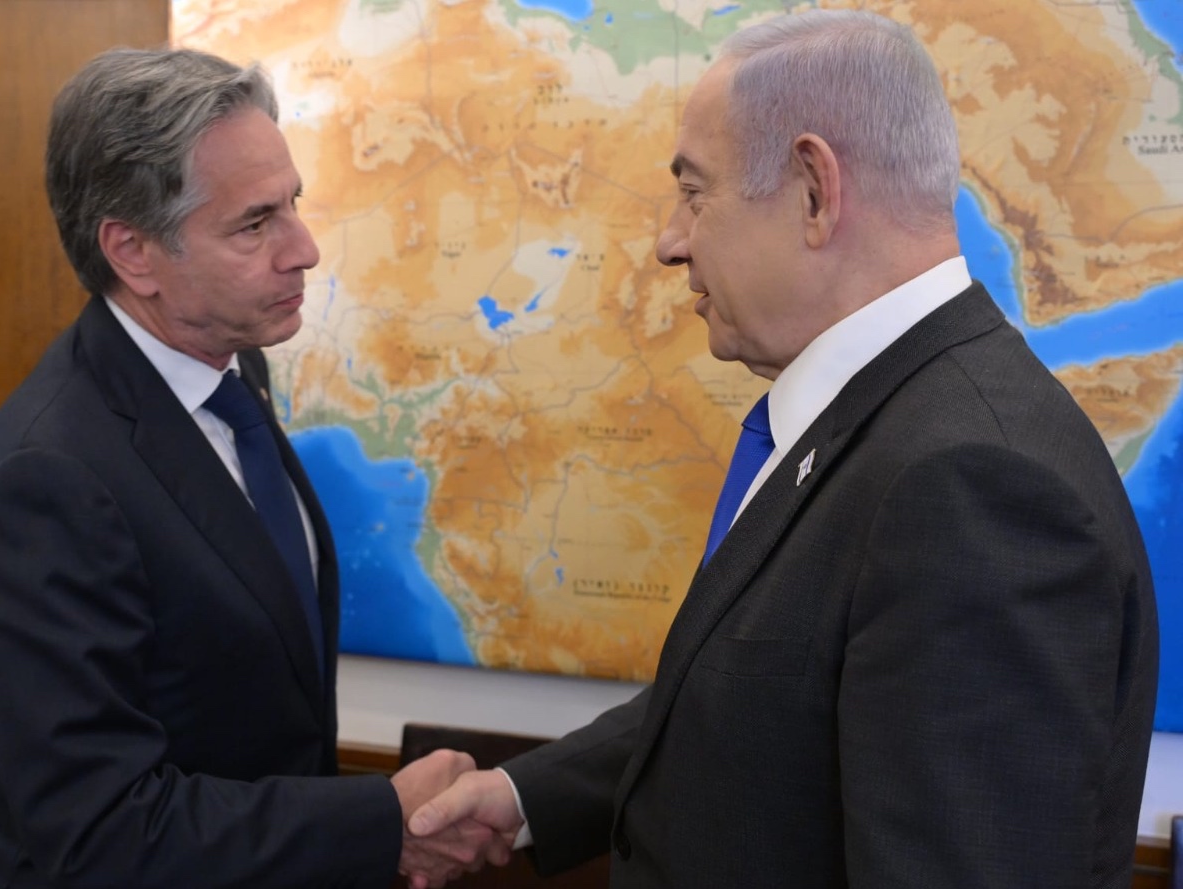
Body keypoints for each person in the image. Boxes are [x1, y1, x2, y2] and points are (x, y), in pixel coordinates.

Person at [405, 10, 1159, 889]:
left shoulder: (971, 485)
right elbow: (761, 702)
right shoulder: (887, 420)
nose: (668, 239)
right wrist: (526, 796)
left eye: (695, 190)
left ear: (812, 189)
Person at [0, 47, 501, 889]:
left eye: (294, 206)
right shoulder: (52, 477)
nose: (306, 249)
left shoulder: (233, 368)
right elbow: (100, 831)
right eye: (255, 224)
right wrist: (380, 821)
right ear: (133, 253)